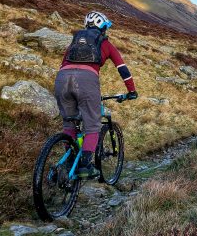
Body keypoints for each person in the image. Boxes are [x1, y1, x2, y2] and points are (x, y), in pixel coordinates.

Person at [55, 11, 138, 179]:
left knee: (69, 124)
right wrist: (131, 91)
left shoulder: (75, 42)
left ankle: (70, 161)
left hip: (62, 79)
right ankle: (85, 166)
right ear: (103, 28)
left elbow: (64, 63)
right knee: (93, 125)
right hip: (86, 82)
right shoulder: (105, 43)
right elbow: (123, 69)